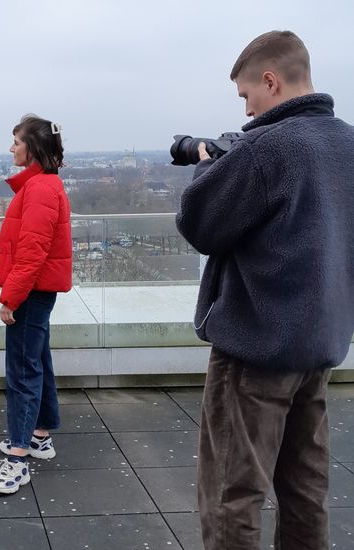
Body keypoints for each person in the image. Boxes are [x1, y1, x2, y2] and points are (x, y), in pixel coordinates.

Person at [176, 31, 354, 549]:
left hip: (257, 351)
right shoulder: (347, 143)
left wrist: (211, 162)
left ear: (271, 81)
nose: (247, 112)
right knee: (306, 488)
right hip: (319, 345)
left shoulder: (266, 147)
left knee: (233, 493)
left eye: (247, 96)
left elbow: (201, 224)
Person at [0, 115, 72, 494]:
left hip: (31, 291)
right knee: (38, 359)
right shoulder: (44, 185)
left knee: (22, 369)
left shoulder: (39, 190)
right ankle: (39, 435)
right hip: (38, 291)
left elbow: (32, 253)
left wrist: (10, 298)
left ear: (33, 147)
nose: (11, 148)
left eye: (16, 141)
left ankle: (18, 459)